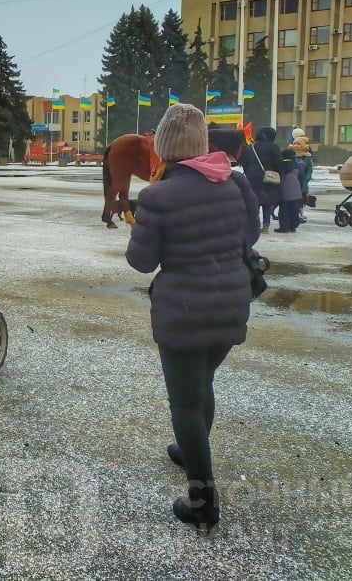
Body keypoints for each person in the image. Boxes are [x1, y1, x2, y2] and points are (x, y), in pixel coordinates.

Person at [125, 103, 260, 533]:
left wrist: (140, 225)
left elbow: (142, 261)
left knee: (185, 402)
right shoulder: (235, 185)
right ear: (200, 146)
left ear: (163, 149)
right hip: (230, 303)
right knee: (203, 385)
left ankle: (203, 504)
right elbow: (251, 235)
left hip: (183, 311)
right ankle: (191, 448)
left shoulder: (156, 196)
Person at [240, 127, 282, 234]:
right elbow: (279, 163)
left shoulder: (251, 147)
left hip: (252, 178)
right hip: (268, 178)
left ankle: (254, 225)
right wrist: (278, 174)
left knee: (254, 202)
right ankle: (266, 225)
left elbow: (244, 162)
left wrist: (249, 172)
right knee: (267, 202)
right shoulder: (274, 147)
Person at [274, 149, 303, 233]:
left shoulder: (280, 165)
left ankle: (284, 227)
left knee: (284, 210)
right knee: (294, 209)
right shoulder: (297, 165)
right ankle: (293, 226)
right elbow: (301, 177)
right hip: (295, 192)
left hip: (283, 191)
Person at [289, 127, 313, 219]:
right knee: (293, 198)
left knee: (301, 198)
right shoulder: (291, 155)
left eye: (298, 144)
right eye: (295, 144)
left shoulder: (307, 157)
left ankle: (300, 213)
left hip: (302, 182)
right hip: (293, 181)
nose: (296, 146)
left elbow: (309, 169)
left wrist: (306, 178)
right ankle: (296, 213)